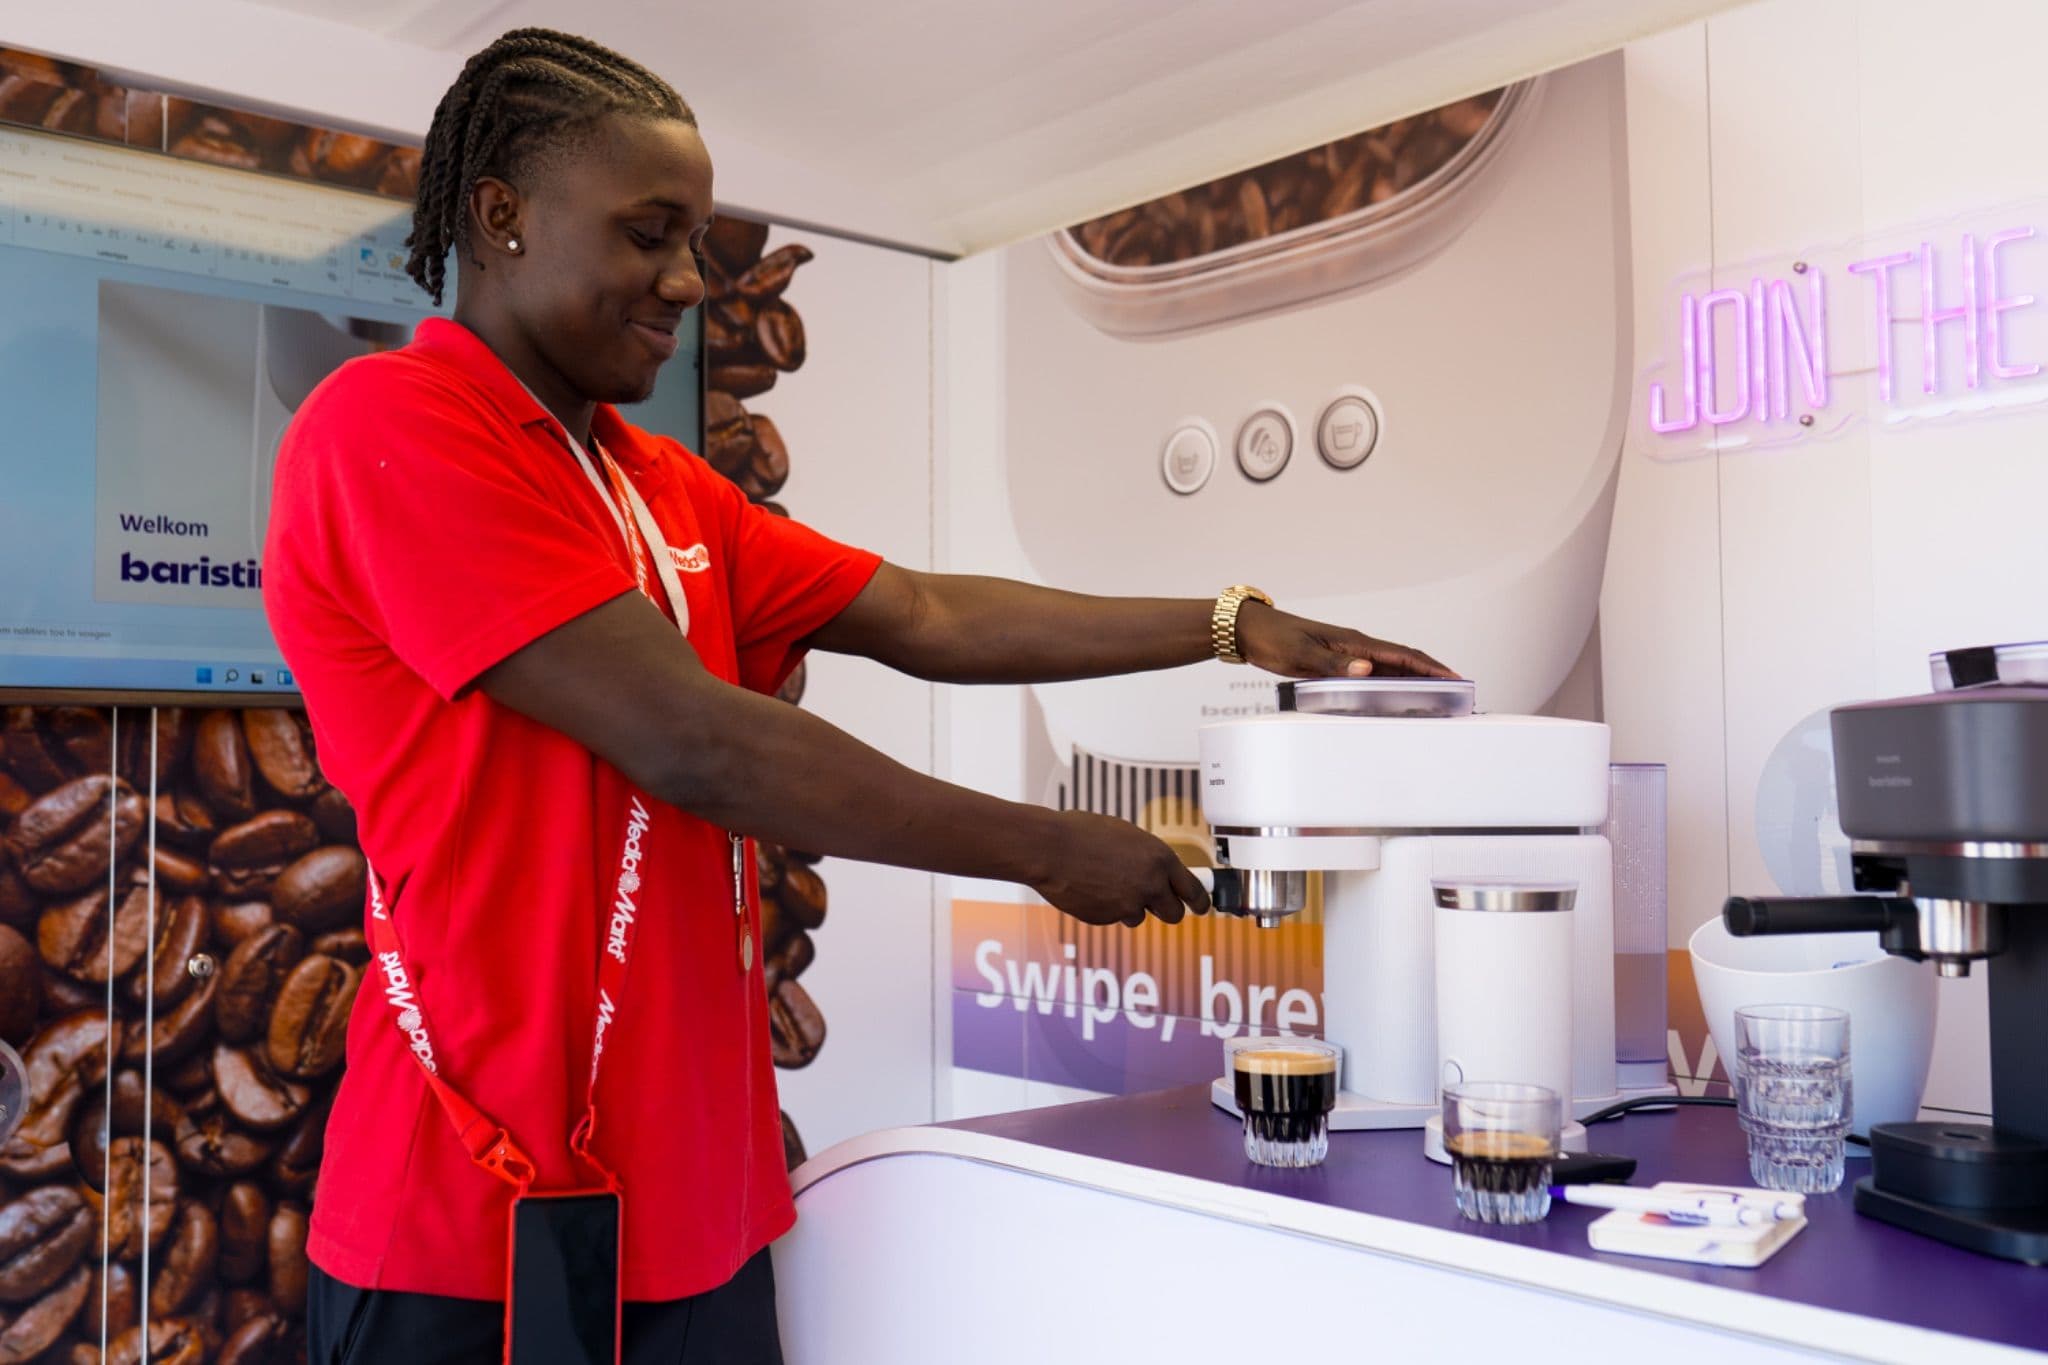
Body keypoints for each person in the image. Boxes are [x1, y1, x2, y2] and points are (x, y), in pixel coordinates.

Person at [263, 26, 1453, 1365]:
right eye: (648, 232)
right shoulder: (392, 427)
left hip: (698, 1215)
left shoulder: (660, 485)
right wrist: (1042, 844)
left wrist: (1234, 622)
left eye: (697, 243)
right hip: (467, 1229)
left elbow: (926, 611)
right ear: (502, 218)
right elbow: (694, 740)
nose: (682, 281)